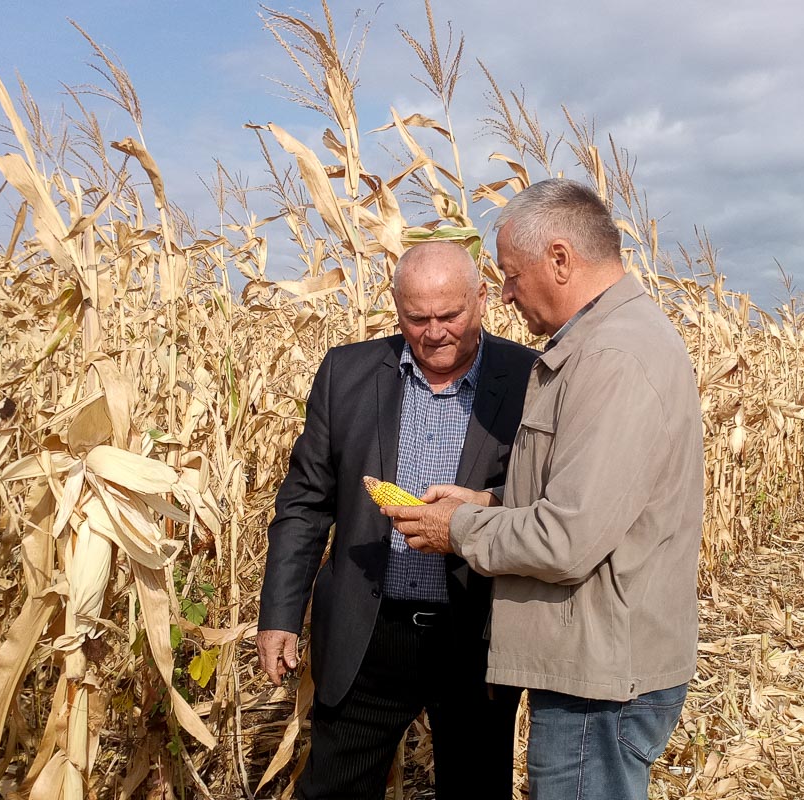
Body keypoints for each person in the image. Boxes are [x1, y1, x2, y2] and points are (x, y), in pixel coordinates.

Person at [385, 179, 705, 800]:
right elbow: (594, 505)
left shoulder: (612, 357)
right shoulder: (609, 343)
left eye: (511, 275)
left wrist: (457, 528)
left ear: (559, 259)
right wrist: (489, 504)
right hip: (598, 664)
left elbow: (567, 538)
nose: (505, 294)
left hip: (600, 680)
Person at [257, 240, 540, 799]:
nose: (434, 333)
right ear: (396, 308)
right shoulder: (347, 372)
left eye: (449, 315)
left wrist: (483, 506)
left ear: (483, 299)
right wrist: (280, 614)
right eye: (416, 319)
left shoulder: (530, 378)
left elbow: (551, 497)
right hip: (368, 629)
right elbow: (305, 502)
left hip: (475, 631)